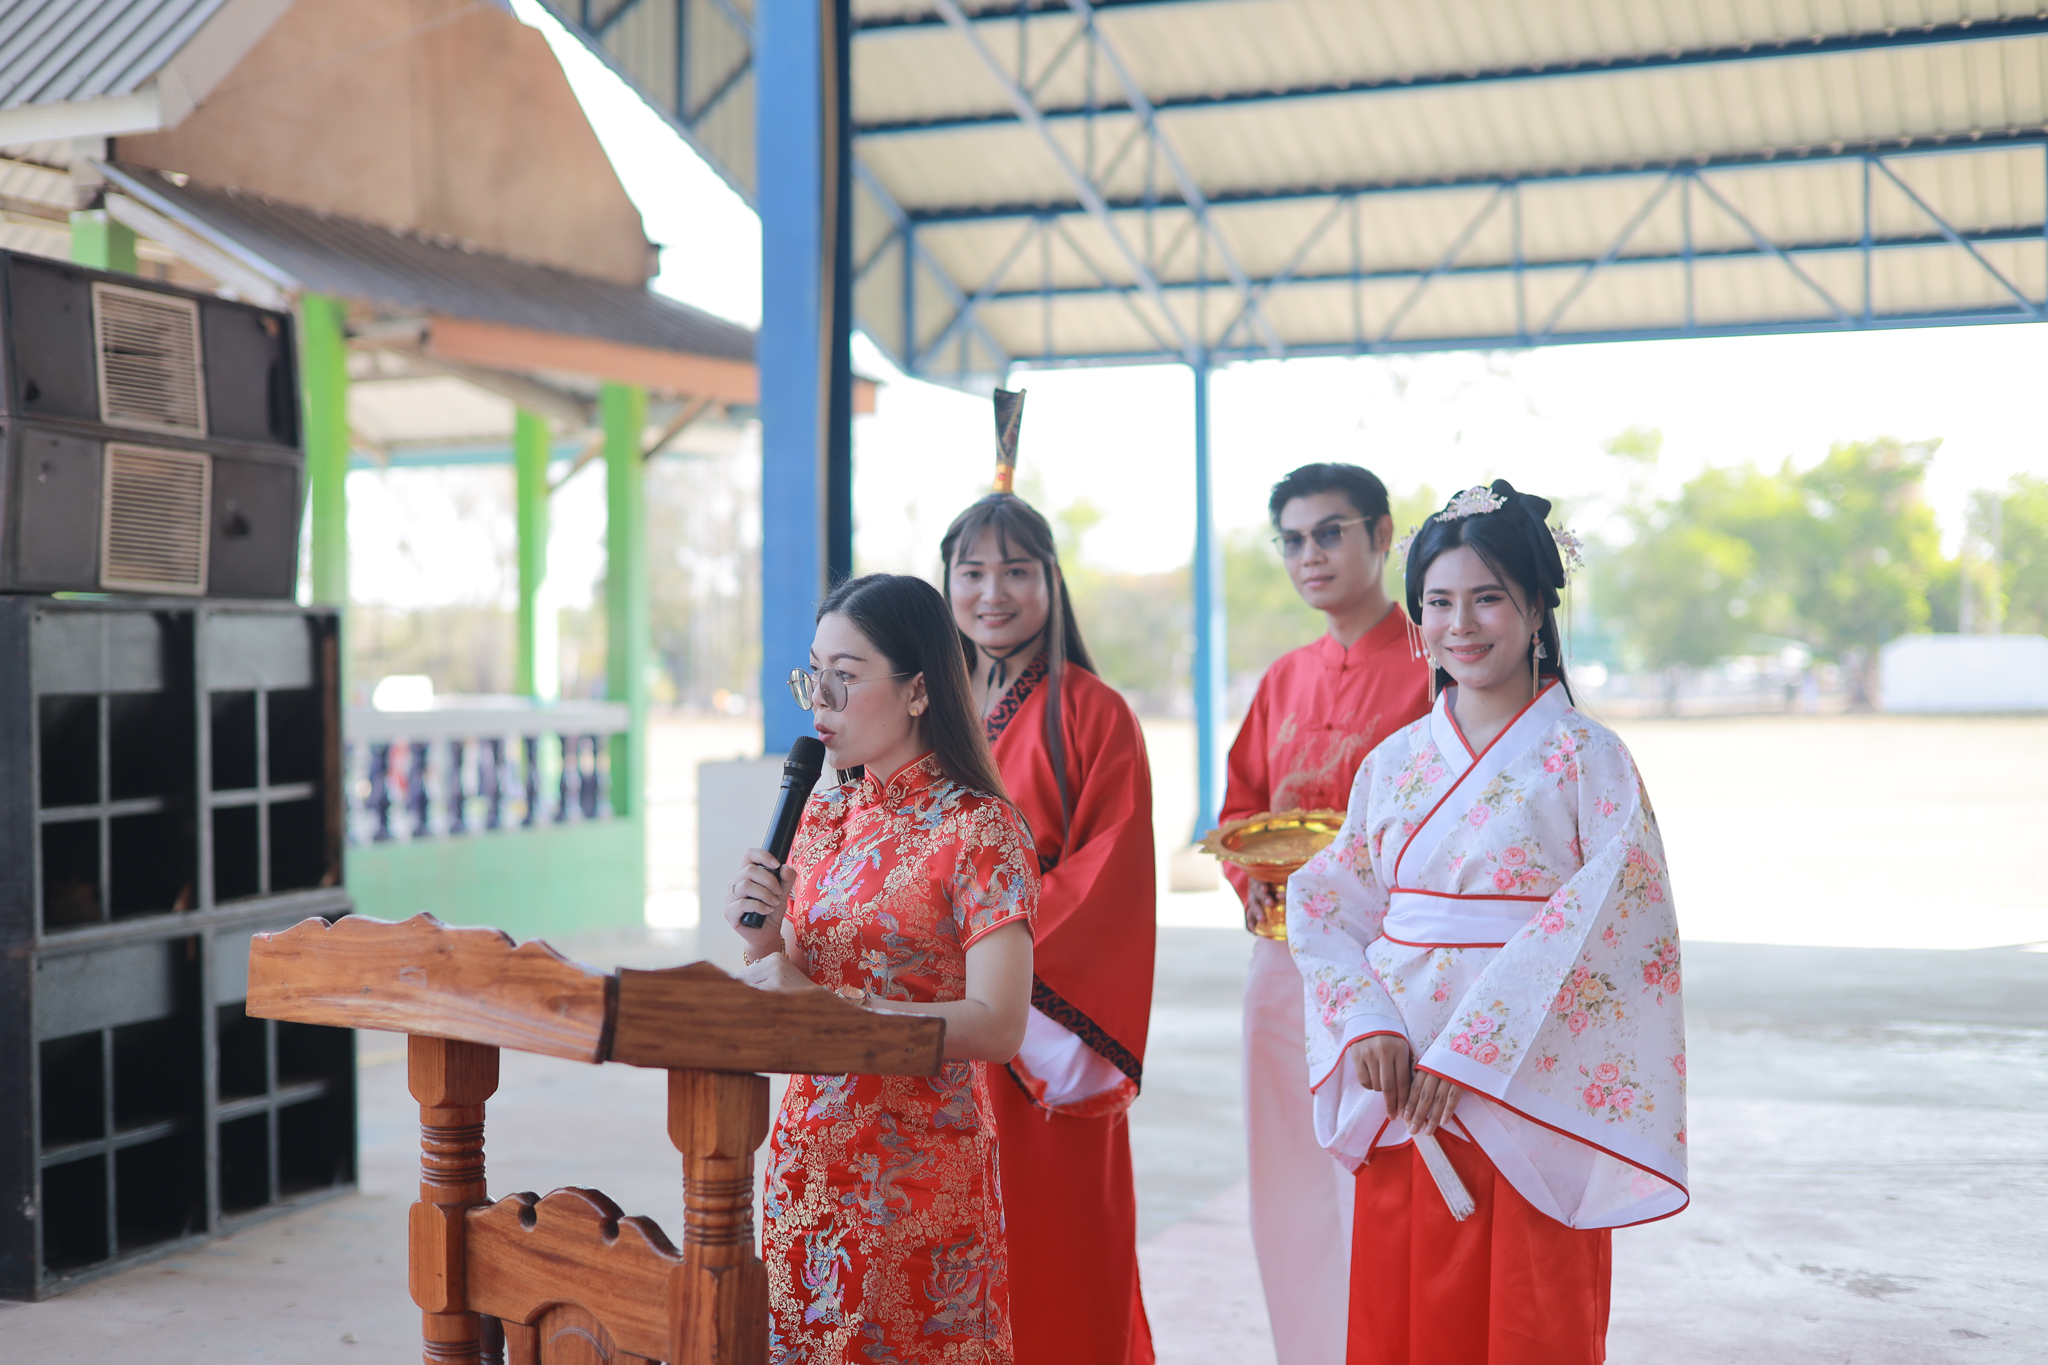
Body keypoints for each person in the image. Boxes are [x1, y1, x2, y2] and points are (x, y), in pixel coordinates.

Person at [1287, 481, 1689, 1365]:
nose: (1460, 624)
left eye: (1488, 598)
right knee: (1401, 1320)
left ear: (1537, 609)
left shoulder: (1589, 759)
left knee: (1527, 1323)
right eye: (1438, 602)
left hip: (1529, 1089)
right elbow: (1324, 903)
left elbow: (1613, 925)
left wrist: (1473, 1048)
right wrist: (1366, 1019)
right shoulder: (1392, 762)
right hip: (1406, 1089)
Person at [725, 572, 1038, 1365]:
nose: (820, 700)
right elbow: (796, 984)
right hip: (807, 1165)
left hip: (917, 1182)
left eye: (845, 675)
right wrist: (763, 942)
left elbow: (999, 1023)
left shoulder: (980, 828)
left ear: (918, 690)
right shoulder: (823, 812)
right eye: (813, 674)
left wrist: (835, 1009)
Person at [939, 394, 1156, 1365]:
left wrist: (984, 952)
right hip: (936, 1024)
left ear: (1050, 582)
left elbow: (1109, 875)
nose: (993, 592)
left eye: (1016, 571)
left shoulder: (1095, 714)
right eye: (971, 572)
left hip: (1037, 1024)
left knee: (1055, 1248)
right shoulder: (924, 710)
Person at [1218, 462, 1431, 1365]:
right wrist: (1258, 886)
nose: (1311, 554)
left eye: (1330, 532)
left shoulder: (1434, 662)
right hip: (1282, 965)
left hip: (1393, 971)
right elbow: (1240, 809)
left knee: (1387, 1170)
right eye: (1293, 539)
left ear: (1382, 535)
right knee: (1288, 1175)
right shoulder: (1283, 677)